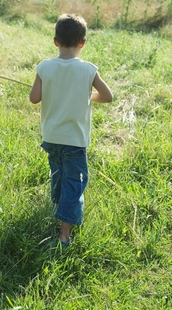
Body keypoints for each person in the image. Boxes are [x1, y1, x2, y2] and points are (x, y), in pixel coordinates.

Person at [29, 13, 113, 248]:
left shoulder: (44, 67)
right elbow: (108, 96)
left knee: (58, 175)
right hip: (75, 141)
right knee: (74, 184)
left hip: (52, 138)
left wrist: (45, 84)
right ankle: (64, 235)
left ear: (55, 41)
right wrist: (89, 95)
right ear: (82, 42)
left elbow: (34, 98)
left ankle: (58, 208)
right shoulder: (88, 70)